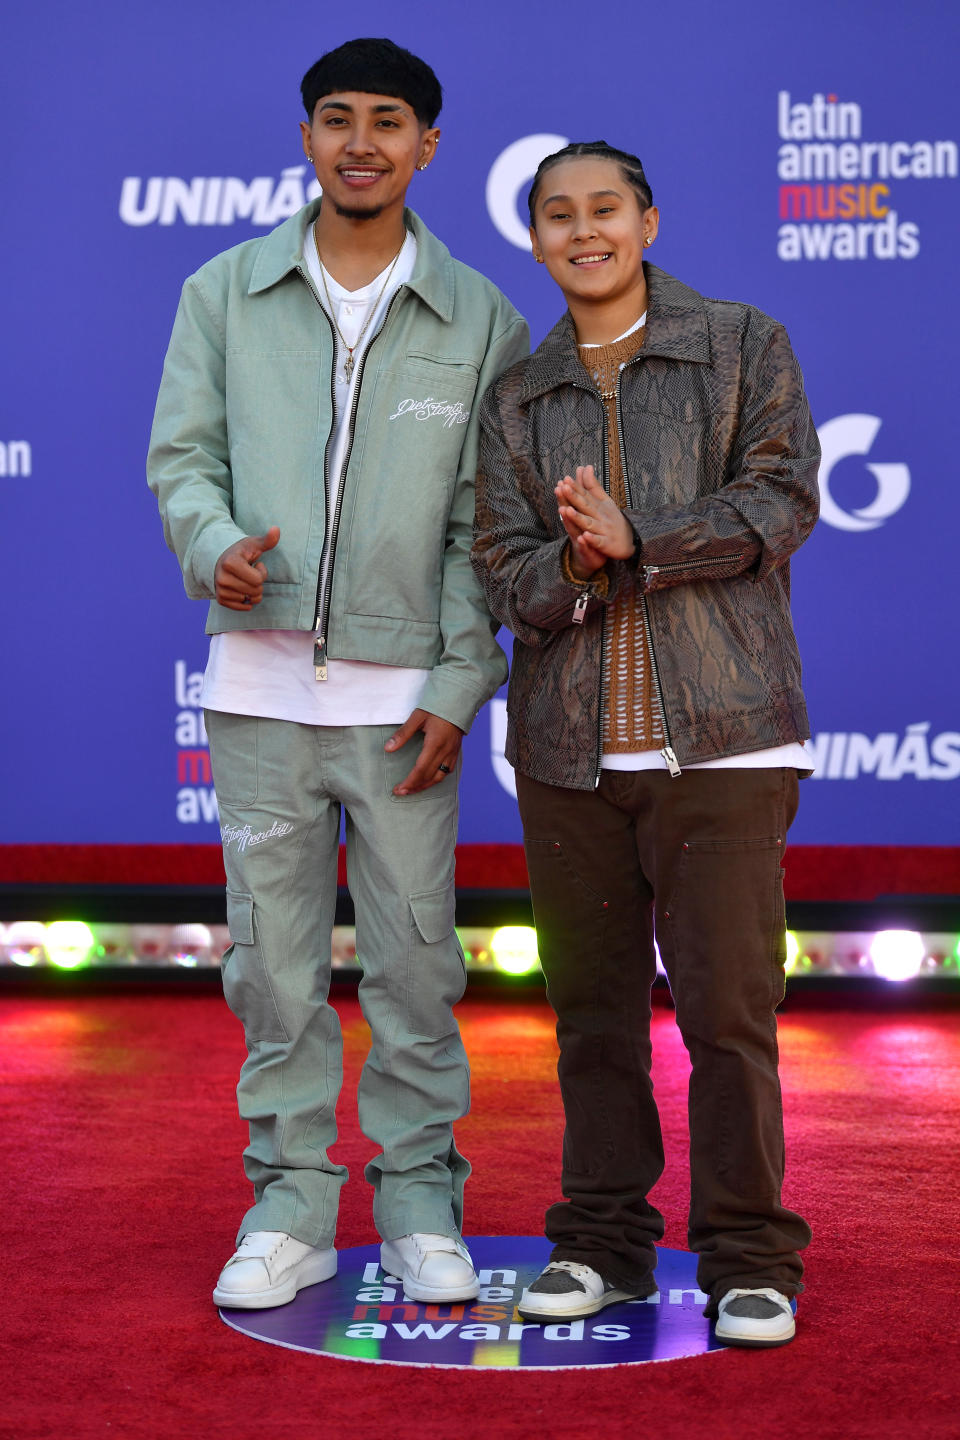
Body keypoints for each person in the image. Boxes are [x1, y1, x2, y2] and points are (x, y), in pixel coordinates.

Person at [147, 37, 528, 1311]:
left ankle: (421, 1201)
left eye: (388, 121)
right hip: (257, 700)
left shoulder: (483, 317)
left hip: (401, 706)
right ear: (307, 137)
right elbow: (182, 461)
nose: (359, 141)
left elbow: (490, 525)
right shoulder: (224, 289)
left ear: (428, 146)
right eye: (335, 118)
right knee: (274, 970)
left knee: (419, 971)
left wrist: (456, 685)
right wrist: (213, 551)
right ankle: (291, 1207)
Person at [472, 141, 818, 1348]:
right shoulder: (519, 394)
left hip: (722, 745)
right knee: (592, 1016)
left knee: (730, 1013)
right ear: (536, 240)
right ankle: (605, 1243)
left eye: (604, 209)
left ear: (649, 221)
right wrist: (570, 563)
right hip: (570, 758)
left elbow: (783, 499)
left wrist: (642, 541)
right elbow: (500, 569)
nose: (583, 231)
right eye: (556, 215)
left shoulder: (739, 343)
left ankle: (747, 1256)